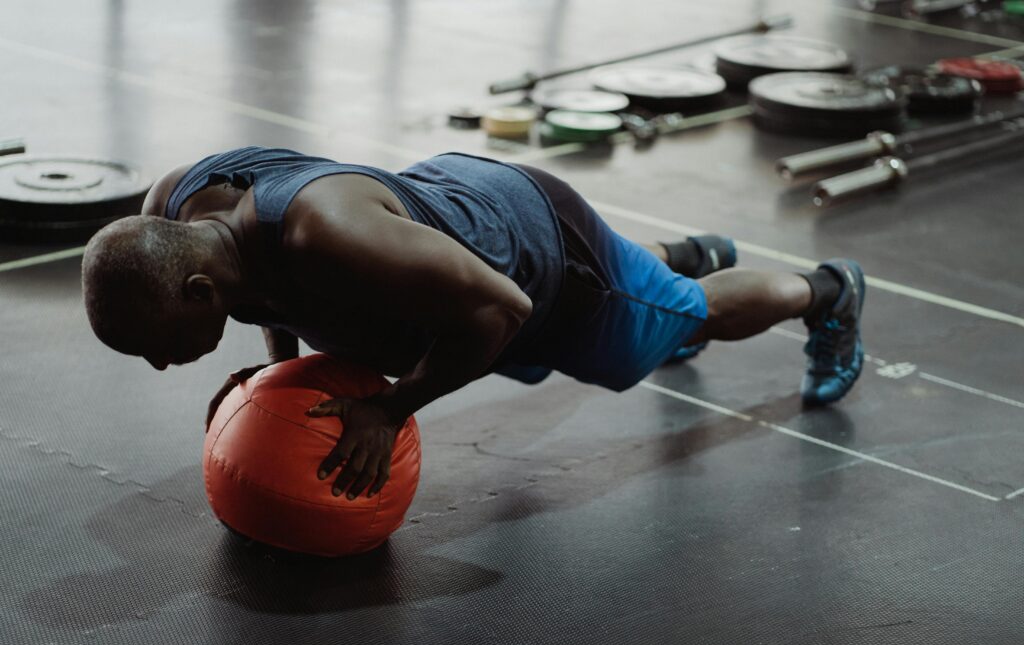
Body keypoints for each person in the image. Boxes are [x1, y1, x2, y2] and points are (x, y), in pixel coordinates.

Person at [81, 146, 865, 503]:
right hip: (454, 216)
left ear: (193, 289)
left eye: (154, 346)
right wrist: (276, 372)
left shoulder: (328, 238)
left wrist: (390, 411)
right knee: (638, 286)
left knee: (682, 320)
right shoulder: (179, 206)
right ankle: (681, 255)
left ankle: (827, 292)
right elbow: (267, 290)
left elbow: (503, 310)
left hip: (542, 257)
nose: (159, 366)